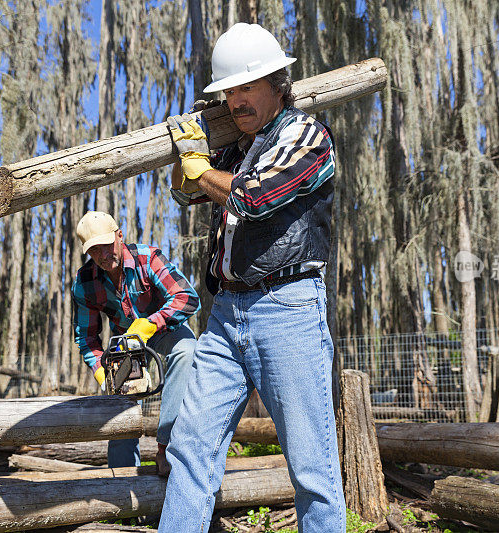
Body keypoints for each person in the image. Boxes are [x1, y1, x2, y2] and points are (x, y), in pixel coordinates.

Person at [159, 23, 345, 532]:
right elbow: (188, 193)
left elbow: (252, 198)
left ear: (278, 82)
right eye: (229, 92)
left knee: (312, 466)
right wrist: (188, 159)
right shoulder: (237, 146)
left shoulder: (306, 135)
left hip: (288, 308)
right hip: (225, 313)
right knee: (190, 449)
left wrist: (198, 168)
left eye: (247, 88)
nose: (236, 101)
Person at [71, 211, 199, 476]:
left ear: (120, 236)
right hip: (126, 344)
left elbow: (187, 297)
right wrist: (101, 372)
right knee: (120, 401)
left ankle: (167, 448)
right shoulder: (85, 282)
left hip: (166, 328)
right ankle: (122, 481)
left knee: (188, 351)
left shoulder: (147, 257)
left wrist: (149, 324)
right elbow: (87, 339)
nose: (104, 256)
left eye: (107, 246)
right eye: (95, 251)